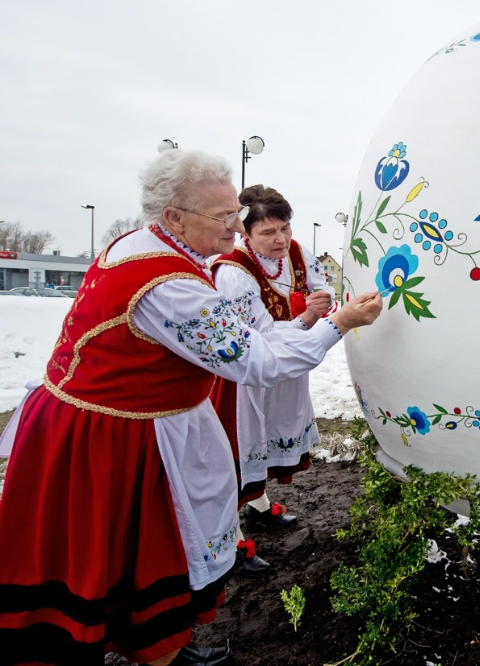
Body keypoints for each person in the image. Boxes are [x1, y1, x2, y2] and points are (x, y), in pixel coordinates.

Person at [0, 149, 383, 666]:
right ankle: (155, 648)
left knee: (123, 552)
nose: (235, 227)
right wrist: (341, 324)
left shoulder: (141, 247)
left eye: (235, 213)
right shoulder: (172, 286)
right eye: (223, 217)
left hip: (103, 421)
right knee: (145, 548)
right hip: (116, 436)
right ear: (174, 216)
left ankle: (149, 645)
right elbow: (259, 358)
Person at [210, 185, 333, 574]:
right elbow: (257, 341)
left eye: (284, 228)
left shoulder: (295, 252)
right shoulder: (233, 271)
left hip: (286, 370)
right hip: (242, 380)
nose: (280, 239)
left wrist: (322, 299)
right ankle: (229, 541)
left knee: (267, 438)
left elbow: (322, 284)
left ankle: (259, 506)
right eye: (267, 233)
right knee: (237, 449)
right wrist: (307, 317)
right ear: (245, 234)